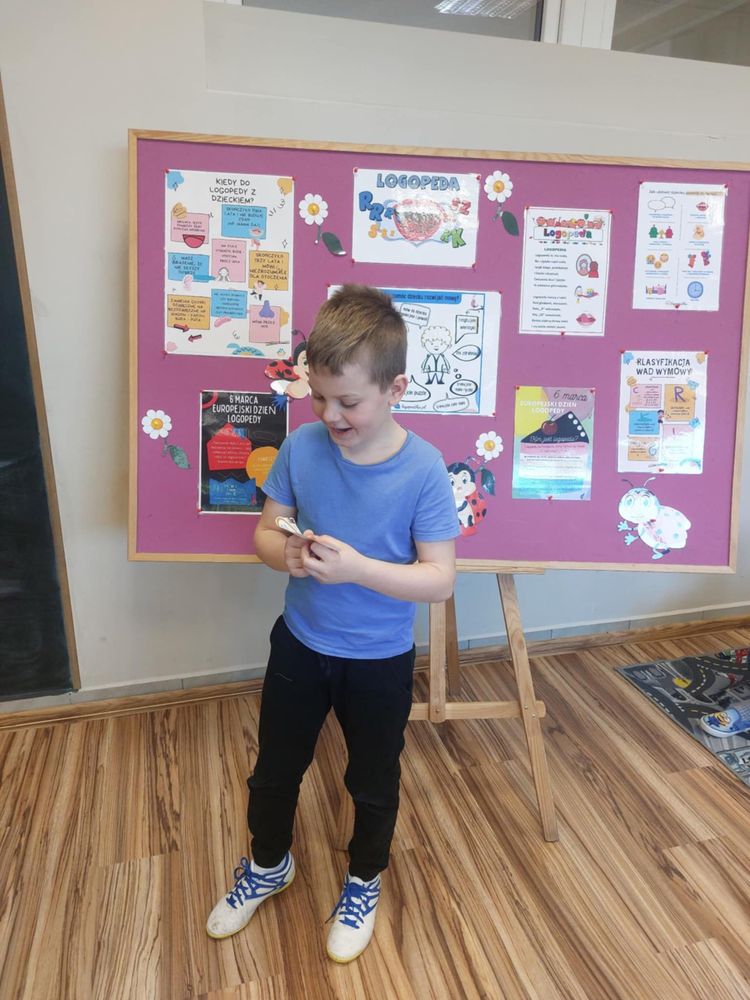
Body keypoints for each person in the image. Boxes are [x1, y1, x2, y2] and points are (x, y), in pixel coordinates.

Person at [206, 285, 458, 963]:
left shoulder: (424, 469)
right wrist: (285, 554)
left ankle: (363, 879)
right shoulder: (302, 447)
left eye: (348, 401)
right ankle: (268, 865)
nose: (329, 414)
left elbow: (439, 579)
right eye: (318, 397)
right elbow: (266, 534)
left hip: (379, 659)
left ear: (395, 388)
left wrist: (359, 570)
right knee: (274, 771)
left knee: (372, 781)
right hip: (300, 644)